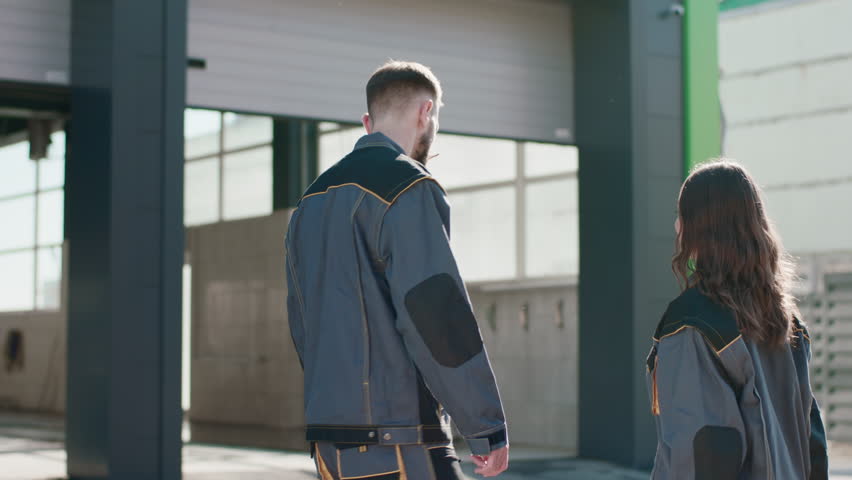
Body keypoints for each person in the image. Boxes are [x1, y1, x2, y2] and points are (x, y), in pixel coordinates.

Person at [285, 60, 509, 480]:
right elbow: (436, 317)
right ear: (426, 112)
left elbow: (302, 322)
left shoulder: (308, 204)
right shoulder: (407, 186)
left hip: (330, 445)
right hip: (399, 442)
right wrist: (486, 427)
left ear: (367, 122)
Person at [646, 160, 829, 479]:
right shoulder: (785, 321)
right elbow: (812, 441)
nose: (677, 226)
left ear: (702, 226)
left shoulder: (692, 322)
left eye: (682, 215)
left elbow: (704, 452)